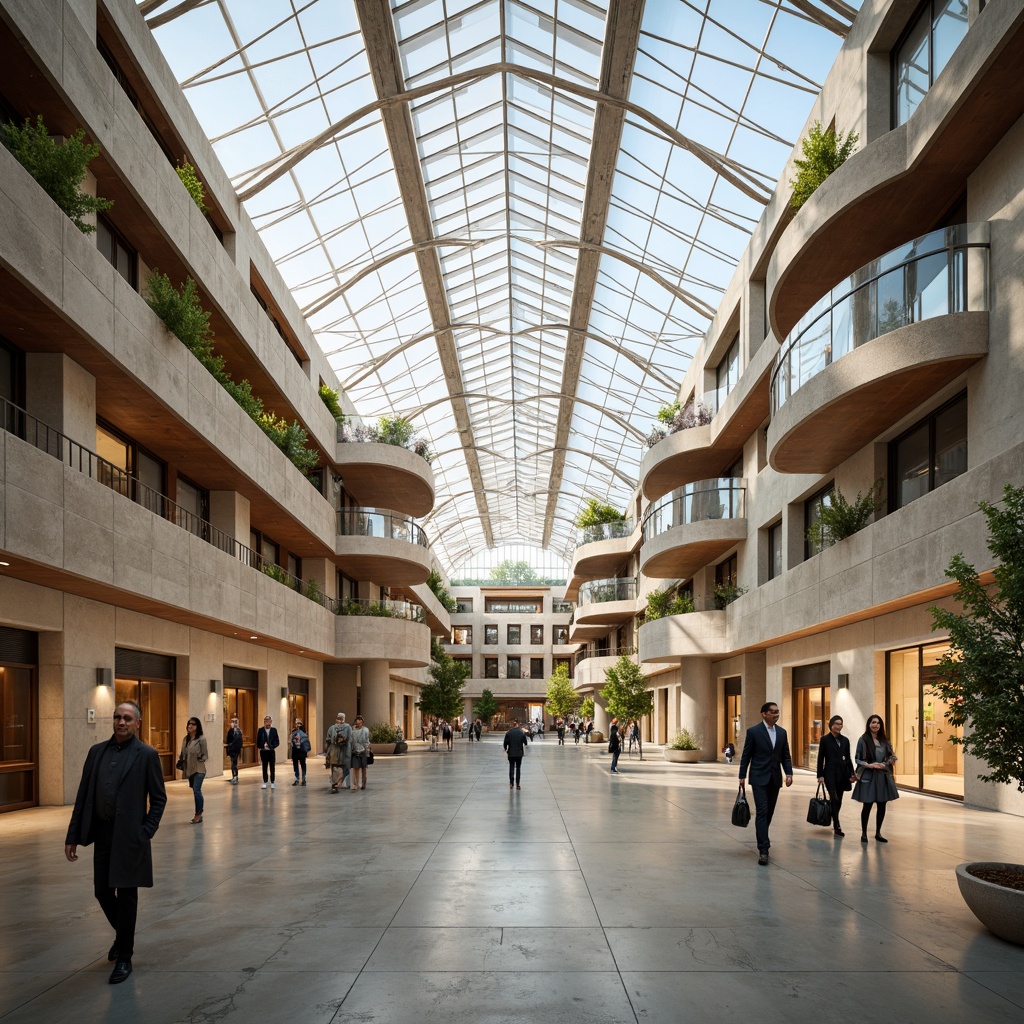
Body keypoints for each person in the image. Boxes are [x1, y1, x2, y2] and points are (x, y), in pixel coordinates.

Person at [64, 702, 167, 985]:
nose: (121, 722)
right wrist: (72, 835)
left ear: (137, 723)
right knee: (102, 892)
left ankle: (124, 956)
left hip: (131, 837)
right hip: (103, 835)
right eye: (117, 717)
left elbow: (159, 799)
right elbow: (84, 796)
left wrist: (145, 831)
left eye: (127, 718)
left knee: (128, 894)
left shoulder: (146, 755)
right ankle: (123, 937)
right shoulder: (97, 752)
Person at [738, 702, 794, 865]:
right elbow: (746, 755)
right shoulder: (754, 732)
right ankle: (764, 849)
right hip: (758, 777)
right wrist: (742, 775)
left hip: (775, 778)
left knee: (768, 813)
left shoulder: (782, 733)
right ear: (764, 714)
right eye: (773, 711)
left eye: (778, 712)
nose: (776, 714)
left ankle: (763, 835)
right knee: (762, 811)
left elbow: (786, 755)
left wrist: (789, 773)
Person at [853, 713, 899, 843]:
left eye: (878, 723)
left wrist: (884, 764)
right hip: (868, 775)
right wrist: (869, 765)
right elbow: (857, 758)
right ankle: (864, 833)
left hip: (882, 776)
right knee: (867, 805)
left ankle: (878, 832)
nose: (876, 725)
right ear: (869, 724)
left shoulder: (885, 740)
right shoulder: (863, 739)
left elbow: (893, 756)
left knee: (882, 804)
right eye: (873, 722)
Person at [816, 715, 856, 837]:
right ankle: (837, 824)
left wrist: (852, 773)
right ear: (831, 724)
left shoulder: (845, 740)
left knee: (839, 799)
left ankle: (835, 818)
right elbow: (820, 757)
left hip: (842, 773)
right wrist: (820, 774)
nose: (839, 726)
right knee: (834, 798)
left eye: (841, 724)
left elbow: (848, 758)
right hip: (830, 773)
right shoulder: (825, 739)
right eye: (837, 723)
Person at [178, 716, 208, 823]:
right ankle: (199, 813)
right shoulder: (185, 739)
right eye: (189, 724)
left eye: (193, 724)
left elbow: (205, 755)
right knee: (195, 790)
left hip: (199, 769)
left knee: (197, 790)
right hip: (189, 769)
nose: (190, 726)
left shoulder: (201, 739)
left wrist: (199, 757)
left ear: (197, 726)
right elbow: (183, 753)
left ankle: (198, 814)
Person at [326, 712, 353, 792]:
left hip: (341, 751)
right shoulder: (333, 728)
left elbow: (328, 739)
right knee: (335, 767)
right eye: (339, 718)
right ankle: (335, 784)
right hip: (336, 751)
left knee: (341, 767)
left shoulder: (347, 727)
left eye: (341, 718)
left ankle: (338, 783)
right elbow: (328, 739)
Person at [503, 718, 529, 789]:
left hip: (511, 753)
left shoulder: (509, 733)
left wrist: (506, 749)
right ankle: (518, 783)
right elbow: (525, 743)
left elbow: (505, 743)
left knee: (511, 767)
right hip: (519, 753)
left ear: (512, 725)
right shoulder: (521, 733)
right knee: (518, 768)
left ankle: (511, 783)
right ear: (518, 725)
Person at [256, 715, 279, 789]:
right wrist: (263, 746)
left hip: (271, 751)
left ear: (271, 722)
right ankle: (265, 781)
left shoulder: (274, 730)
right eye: (266, 721)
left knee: (272, 767)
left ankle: (272, 781)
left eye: (268, 721)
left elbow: (277, 741)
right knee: (264, 767)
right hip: (263, 752)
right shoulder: (261, 730)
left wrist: (272, 746)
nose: (267, 722)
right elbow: (258, 742)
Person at [350, 715, 370, 790]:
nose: (358, 721)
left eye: (360, 720)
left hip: (363, 751)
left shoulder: (365, 730)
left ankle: (364, 783)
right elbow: (351, 740)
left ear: (362, 722)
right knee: (356, 768)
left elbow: (367, 740)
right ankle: (356, 784)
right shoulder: (352, 729)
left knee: (364, 768)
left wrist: (367, 751)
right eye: (357, 720)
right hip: (355, 751)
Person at [289, 719, 311, 786]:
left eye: (299, 724)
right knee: (295, 764)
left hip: (302, 751)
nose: (298, 725)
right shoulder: (293, 732)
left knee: (303, 764)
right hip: (295, 751)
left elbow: (306, 741)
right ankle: (297, 778)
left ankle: (304, 779)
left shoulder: (304, 733)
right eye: (296, 724)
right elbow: (290, 741)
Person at [225, 716, 243, 784]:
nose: (232, 724)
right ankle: (234, 776)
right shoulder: (230, 731)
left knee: (234, 764)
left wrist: (230, 745)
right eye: (232, 722)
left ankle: (235, 776)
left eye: (234, 722)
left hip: (236, 750)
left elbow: (238, 741)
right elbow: (228, 740)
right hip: (231, 750)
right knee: (233, 763)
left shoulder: (239, 731)